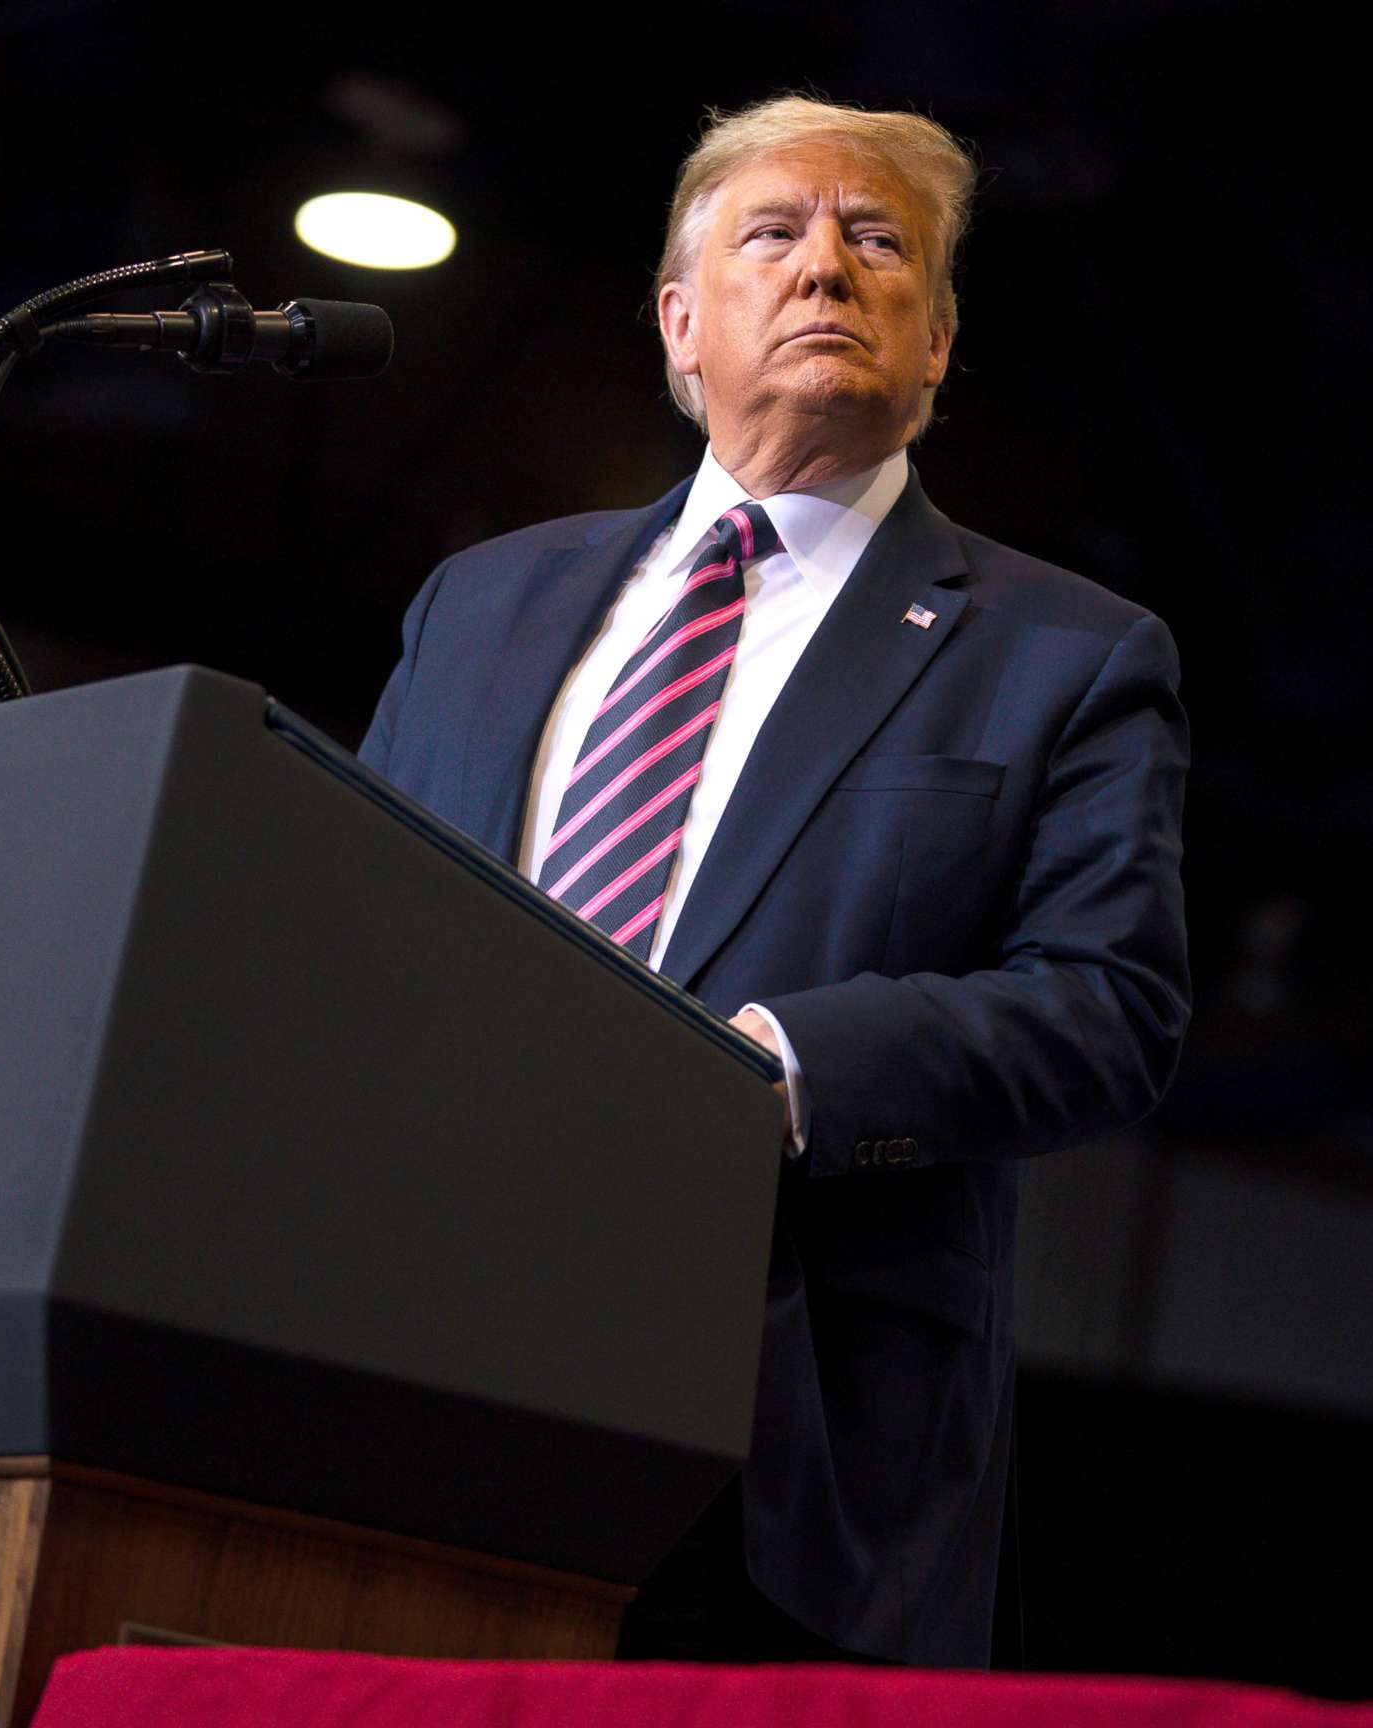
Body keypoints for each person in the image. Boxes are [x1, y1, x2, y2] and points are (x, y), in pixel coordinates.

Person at [358, 95, 1190, 1666]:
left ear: (937, 339)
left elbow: (1111, 1006)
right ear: (681, 324)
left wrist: (781, 1073)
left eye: (879, 243)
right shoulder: (482, 604)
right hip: (434, 1367)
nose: (827, 269)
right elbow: (366, 936)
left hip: (792, 1456)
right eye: (773, 234)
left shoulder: (1066, 655)